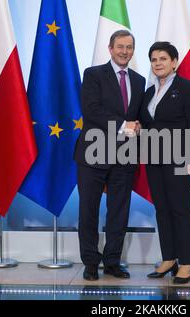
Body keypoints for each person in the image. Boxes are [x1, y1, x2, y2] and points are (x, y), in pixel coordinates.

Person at [74, 30, 145, 281]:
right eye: (120, 47)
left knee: (119, 211)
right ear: (110, 48)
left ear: (133, 50)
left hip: (125, 155)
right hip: (93, 152)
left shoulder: (139, 80)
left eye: (129, 47)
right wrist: (126, 125)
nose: (124, 51)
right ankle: (91, 263)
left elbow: (141, 118)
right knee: (88, 210)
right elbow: (91, 111)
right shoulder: (93, 75)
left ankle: (113, 261)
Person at [139, 42, 190, 284]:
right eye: (154, 59)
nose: (158, 63)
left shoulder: (187, 88)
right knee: (162, 209)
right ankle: (169, 259)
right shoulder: (148, 92)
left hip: (180, 158)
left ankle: (186, 263)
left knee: (180, 209)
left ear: (174, 61)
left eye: (163, 58)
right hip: (154, 158)